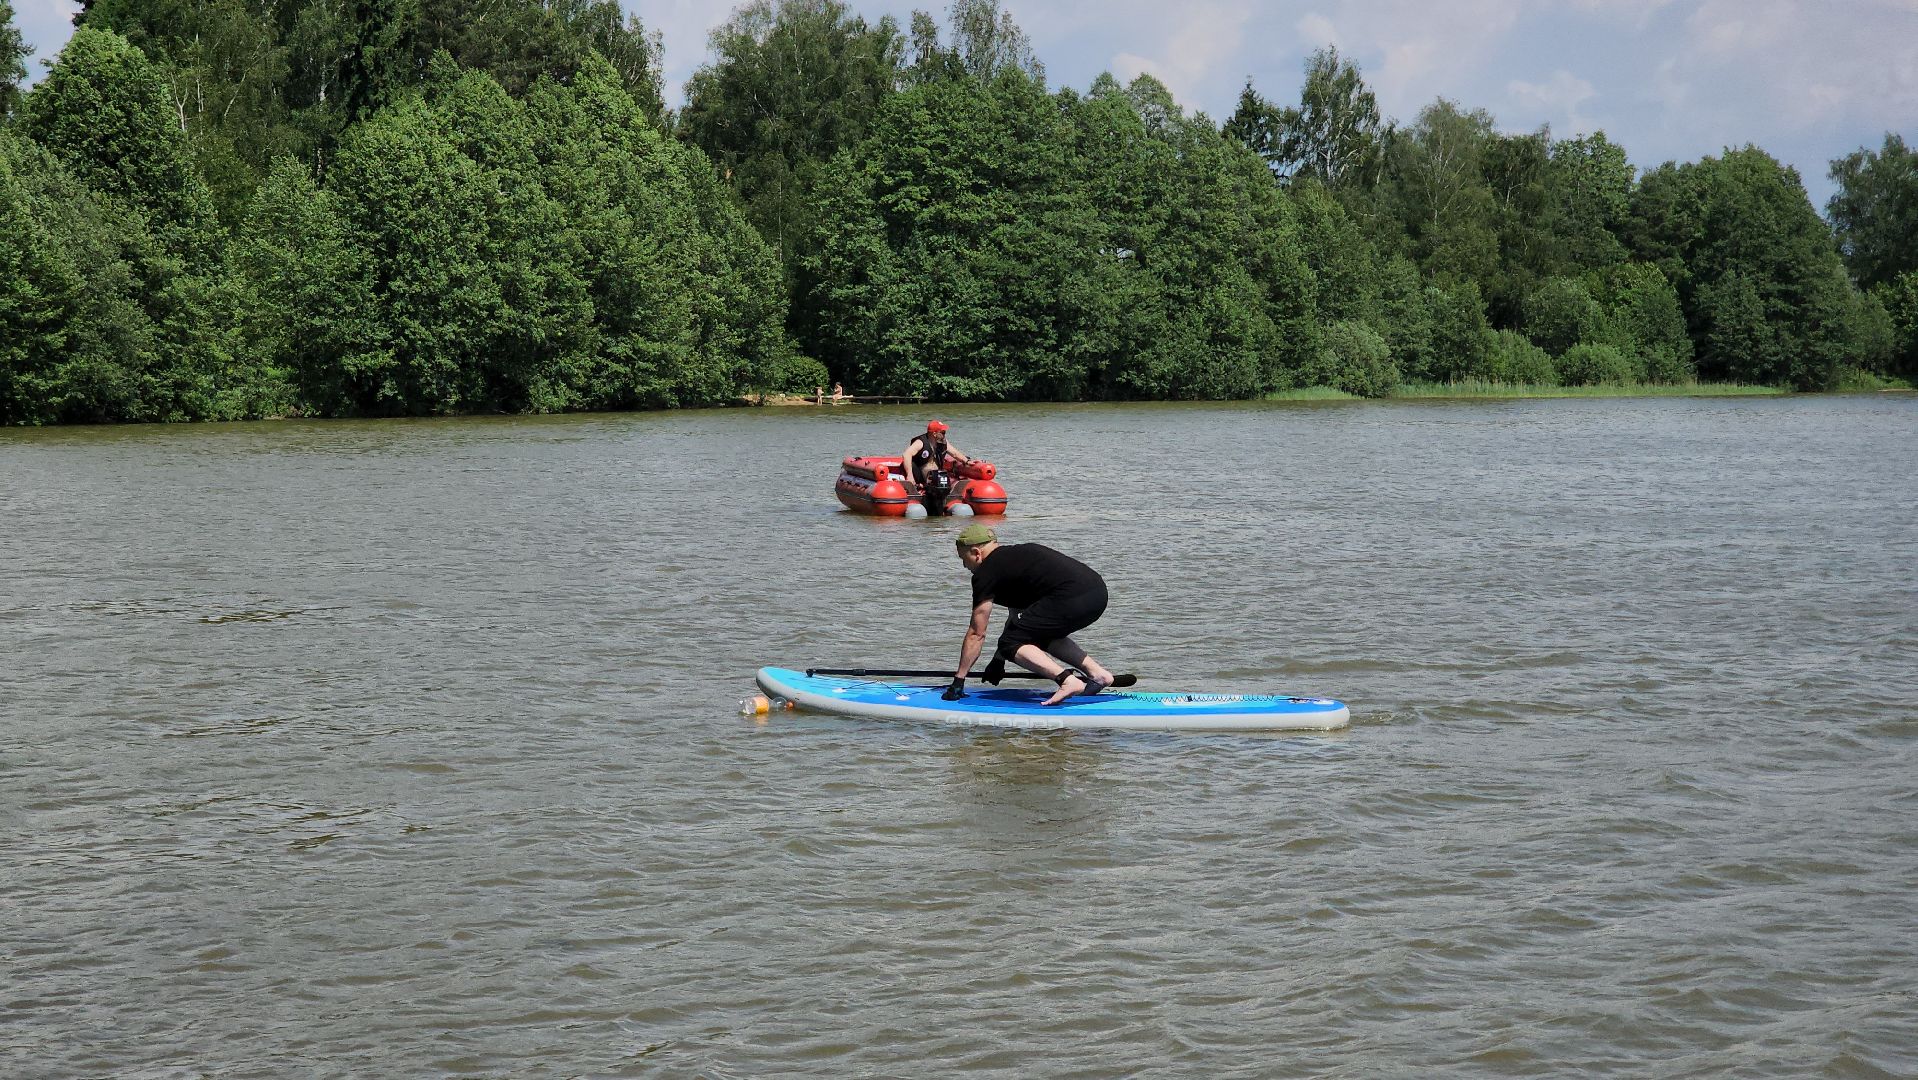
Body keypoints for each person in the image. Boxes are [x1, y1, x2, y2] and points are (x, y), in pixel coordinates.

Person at [944, 523, 1117, 706]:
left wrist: (959, 681)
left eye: (964, 558)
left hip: (1070, 597)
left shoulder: (986, 573)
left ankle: (1067, 681)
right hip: (1097, 593)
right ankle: (1099, 675)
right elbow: (1019, 618)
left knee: (1009, 643)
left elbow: (976, 633)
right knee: (1035, 634)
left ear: (977, 553)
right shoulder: (1015, 560)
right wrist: (999, 660)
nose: (964, 565)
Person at [903, 420, 974, 515]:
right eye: (943, 432)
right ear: (934, 433)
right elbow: (906, 454)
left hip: (936, 478)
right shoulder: (920, 442)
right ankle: (922, 490)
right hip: (920, 476)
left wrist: (967, 461)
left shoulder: (943, 442)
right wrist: (909, 475)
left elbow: (955, 453)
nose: (945, 434)